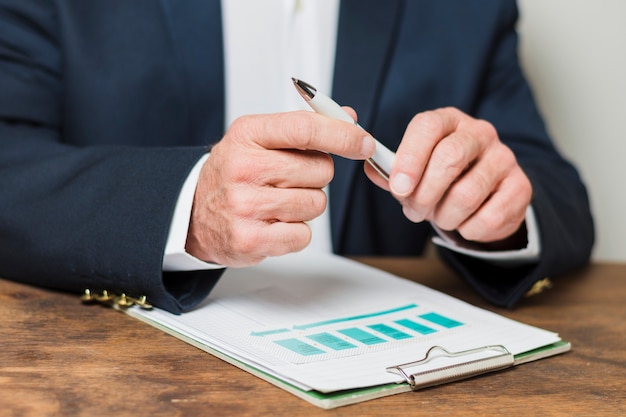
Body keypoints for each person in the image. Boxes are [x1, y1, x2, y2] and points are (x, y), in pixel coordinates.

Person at [0, 0, 594, 314]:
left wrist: (495, 207)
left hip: (381, 364)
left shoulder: (467, 8)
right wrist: (187, 207)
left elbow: (557, 192)